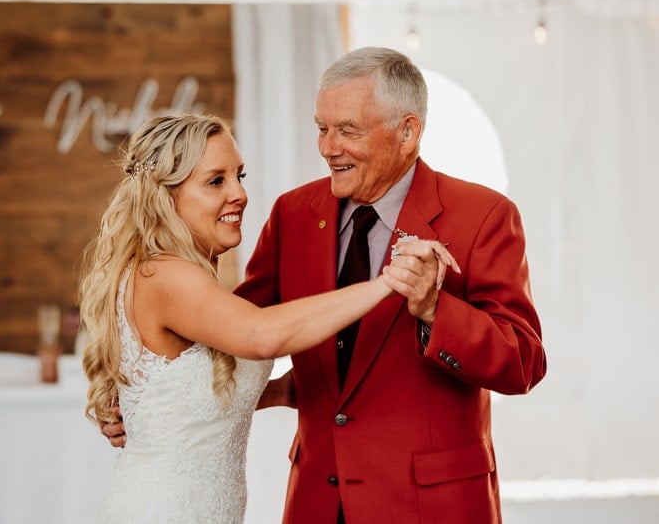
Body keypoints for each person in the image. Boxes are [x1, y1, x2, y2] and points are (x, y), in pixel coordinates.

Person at [103, 48, 547, 523]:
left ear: (407, 132)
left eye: (347, 131)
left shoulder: (483, 216)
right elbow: (233, 335)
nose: (327, 147)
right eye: (321, 128)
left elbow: (523, 361)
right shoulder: (293, 215)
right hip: (317, 502)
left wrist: (437, 310)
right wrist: (146, 400)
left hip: (431, 506)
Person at [80, 113, 457, 524]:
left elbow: (198, 392)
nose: (239, 194)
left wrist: (279, 391)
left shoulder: (174, 276)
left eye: (240, 176)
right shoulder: (163, 274)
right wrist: (389, 281)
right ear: (164, 196)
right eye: (215, 181)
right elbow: (261, 334)